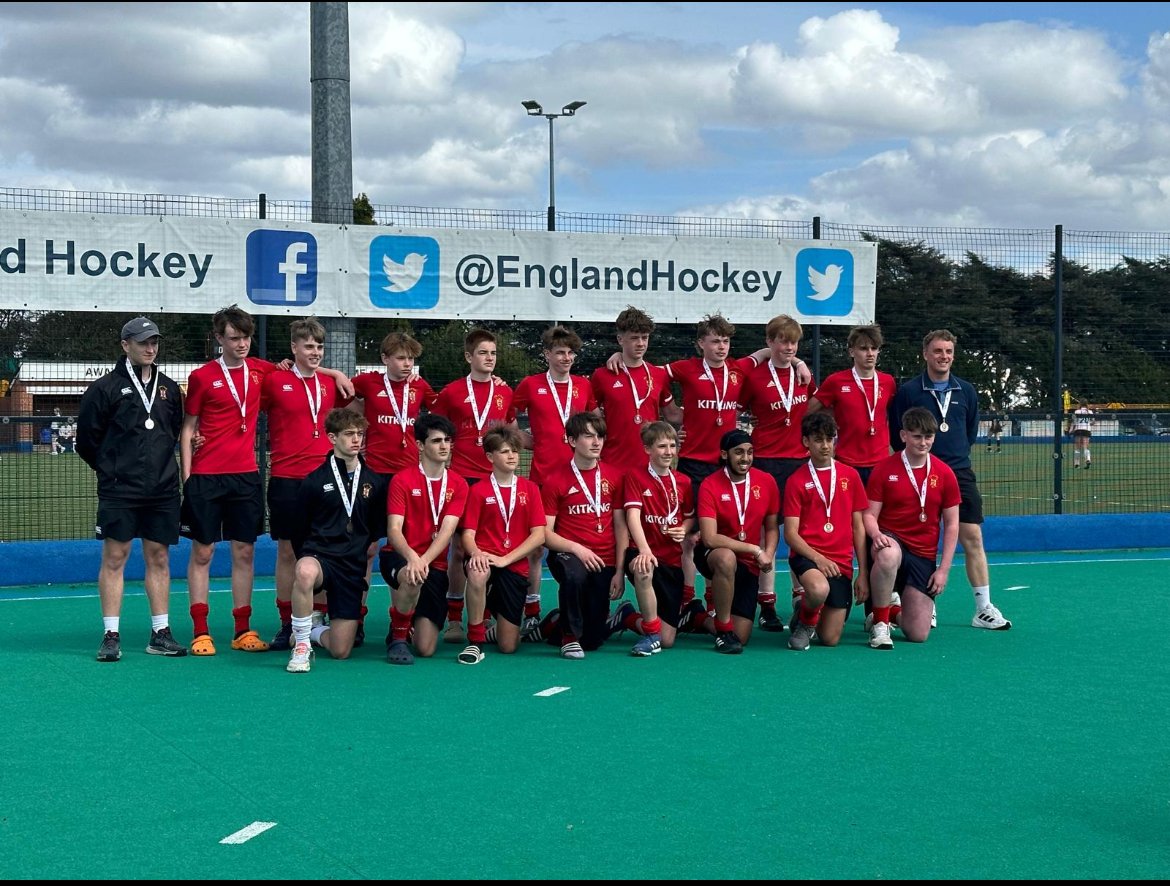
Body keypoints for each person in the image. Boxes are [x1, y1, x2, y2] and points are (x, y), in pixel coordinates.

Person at [75, 316, 188, 661]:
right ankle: (111, 634)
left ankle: (160, 632)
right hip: (119, 490)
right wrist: (112, 471)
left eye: (154, 342)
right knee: (115, 557)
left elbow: (173, 433)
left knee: (159, 557)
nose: (150, 348)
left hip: (163, 490)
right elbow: (86, 442)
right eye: (142, 343)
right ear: (126, 346)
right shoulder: (104, 389)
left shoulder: (170, 388)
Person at [889, 329, 1011, 631]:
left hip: (958, 473)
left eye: (948, 352)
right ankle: (922, 604)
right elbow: (896, 433)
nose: (943, 357)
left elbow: (968, 433)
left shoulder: (966, 391)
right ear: (926, 354)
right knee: (917, 542)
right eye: (938, 351)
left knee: (973, 538)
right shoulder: (909, 391)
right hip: (919, 474)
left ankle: (983, 608)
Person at [180, 305, 278, 656]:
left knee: (245, 551)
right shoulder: (202, 377)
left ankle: (242, 629)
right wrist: (188, 478)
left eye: (246, 337)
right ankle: (200, 630)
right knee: (203, 552)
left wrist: (334, 373)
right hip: (206, 476)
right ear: (218, 338)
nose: (242, 344)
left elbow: (300, 366)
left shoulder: (260, 371)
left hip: (246, 475)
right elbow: (188, 428)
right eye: (234, 338)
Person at [261, 317, 355, 650]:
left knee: (328, 549)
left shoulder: (330, 385)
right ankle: (287, 623)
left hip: (325, 480)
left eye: (319, 346)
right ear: (294, 348)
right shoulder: (274, 381)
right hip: (287, 479)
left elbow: (353, 393)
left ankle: (323, 616)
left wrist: (333, 372)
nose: (315, 352)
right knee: (287, 551)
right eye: (308, 346)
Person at [349, 330, 437, 643]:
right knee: (368, 548)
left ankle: (399, 620)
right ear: (385, 359)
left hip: (408, 479)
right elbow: (333, 390)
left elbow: (447, 408)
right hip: (373, 475)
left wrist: (495, 381)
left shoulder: (420, 387)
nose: (406, 364)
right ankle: (356, 618)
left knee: (403, 549)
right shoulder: (367, 383)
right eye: (400, 358)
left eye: (411, 359)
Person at [285, 409, 389, 673]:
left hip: (351, 566)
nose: (356, 440)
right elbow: (298, 529)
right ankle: (300, 646)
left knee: (341, 650)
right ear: (332, 438)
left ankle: (312, 632)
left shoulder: (374, 482)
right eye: (349, 434)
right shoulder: (314, 481)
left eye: (360, 434)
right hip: (320, 557)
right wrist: (306, 557)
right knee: (305, 571)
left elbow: (377, 526)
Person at [507, 325, 597, 632]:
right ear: (547, 354)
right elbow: (507, 419)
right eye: (560, 352)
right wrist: (531, 441)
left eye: (571, 352)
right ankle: (531, 607)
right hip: (541, 478)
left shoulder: (584, 386)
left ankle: (579, 607)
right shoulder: (531, 385)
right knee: (534, 547)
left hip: (576, 480)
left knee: (574, 545)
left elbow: (594, 425)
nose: (566, 358)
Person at [806, 323, 896, 625]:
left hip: (880, 467)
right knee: (846, 533)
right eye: (863, 348)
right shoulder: (837, 381)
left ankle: (877, 608)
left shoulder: (887, 382)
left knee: (878, 537)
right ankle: (824, 594)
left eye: (874, 348)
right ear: (852, 351)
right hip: (847, 466)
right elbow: (811, 412)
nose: (869, 354)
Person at [431, 328, 514, 644]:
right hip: (462, 480)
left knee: (489, 547)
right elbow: (437, 431)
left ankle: (486, 615)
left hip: (494, 481)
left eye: (493, 353)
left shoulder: (506, 392)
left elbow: (505, 432)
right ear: (469, 356)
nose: (489, 358)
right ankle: (454, 620)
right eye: (483, 353)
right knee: (457, 550)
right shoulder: (452, 392)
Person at [739, 314, 817, 630]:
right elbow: (736, 407)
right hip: (765, 463)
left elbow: (811, 406)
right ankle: (767, 605)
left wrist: (799, 362)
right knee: (766, 534)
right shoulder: (755, 377)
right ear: (769, 341)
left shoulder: (803, 376)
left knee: (798, 534)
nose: (788, 347)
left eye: (793, 342)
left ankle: (801, 599)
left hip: (798, 463)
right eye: (782, 341)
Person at [863, 407, 960, 648]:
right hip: (890, 538)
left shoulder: (945, 473)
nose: (924, 442)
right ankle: (880, 626)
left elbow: (952, 525)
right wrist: (875, 535)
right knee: (888, 554)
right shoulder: (884, 468)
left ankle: (887, 612)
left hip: (923, 554)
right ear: (904, 435)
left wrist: (943, 570)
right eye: (917, 436)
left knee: (918, 634)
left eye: (929, 436)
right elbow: (869, 515)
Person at [378, 413, 470, 665]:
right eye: (436, 441)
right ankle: (397, 636)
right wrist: (413, 558)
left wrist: (425, 560)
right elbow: (394, 530)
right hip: (398, 556)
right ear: (420, 445)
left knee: (426, 648)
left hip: (434, 565)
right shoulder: (402, 480)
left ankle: (406, 617)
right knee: (411, 575)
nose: (444, 447)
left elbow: (448, 531)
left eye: (448, 441)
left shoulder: (459, 484)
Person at [541, 411, 629, 659]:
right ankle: (568, 636)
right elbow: (545, 534)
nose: (596, 442)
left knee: (592, 640)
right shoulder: (554, 480)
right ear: (571, 441)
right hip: (569, 555)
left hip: (605, 560)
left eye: (600, 436)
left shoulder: (614, 476)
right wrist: (576, 548)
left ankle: (552, 626)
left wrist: (619, 571)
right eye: (588, 436)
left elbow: (621, 527)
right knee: (574, 574)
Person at [459, 427, 546, 664]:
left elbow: (539, 535)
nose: (512, 456)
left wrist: (506, 559)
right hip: (485, 557)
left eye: (515, 451)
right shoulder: (477, 490)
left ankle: (500, 622)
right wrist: (476, 553)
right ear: (490, 457)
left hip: (513, 566)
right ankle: (475, 641)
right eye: (505, 452)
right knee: (477, 572)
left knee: (508, 646)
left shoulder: (530, 489)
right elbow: (468, 534)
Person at [784, 411, 870, 651]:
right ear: (806, 442)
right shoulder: (796, 480)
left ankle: (805, 609)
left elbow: (858, 528)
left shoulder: (850, 476)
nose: (825, 445)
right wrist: (818, 558)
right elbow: (790, 534)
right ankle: (805, 623)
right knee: (818, 588)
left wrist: (862, 573)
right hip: (808, 557)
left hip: (840, 563)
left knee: (830, 639)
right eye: (819, 439)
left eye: (830, 439)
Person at [695, 429, 780, 654]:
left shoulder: (767, 482)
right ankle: (722, 631)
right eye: (739, 452)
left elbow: (771, 528)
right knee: (726, 557)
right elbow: (710, 537)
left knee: (741, 636)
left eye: (750, 452)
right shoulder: (710, 485)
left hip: (747, 564)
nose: (746, 458)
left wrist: (769, 554)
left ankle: (698, 617)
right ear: (725, 454)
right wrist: (754, 549)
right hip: (712, 554)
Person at [622, 421, 696, 656]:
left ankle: (627, 617)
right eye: (662, 446)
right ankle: (650, 634)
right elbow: (632, 516)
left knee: (668, 640)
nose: (668, 452)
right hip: (643, 551)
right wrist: (644, 550)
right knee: (643, 569)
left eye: (672, 446)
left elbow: (689, 518)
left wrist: (683, 529)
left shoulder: (683, 481)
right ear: (647, 450)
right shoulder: (635, 476)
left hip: (671, 560)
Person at [1070, 400, 1093, 469]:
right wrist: (1088, 424)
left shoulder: (1077, 411)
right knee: (1086, 447)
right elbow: (1093, 422)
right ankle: (1088, 459)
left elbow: (1074, 422)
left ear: (1080, 404)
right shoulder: (1090, 412)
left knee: (1077, 448)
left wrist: (1071, 430)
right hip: (1086, 430)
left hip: (1078, 430)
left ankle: (1077, 464)